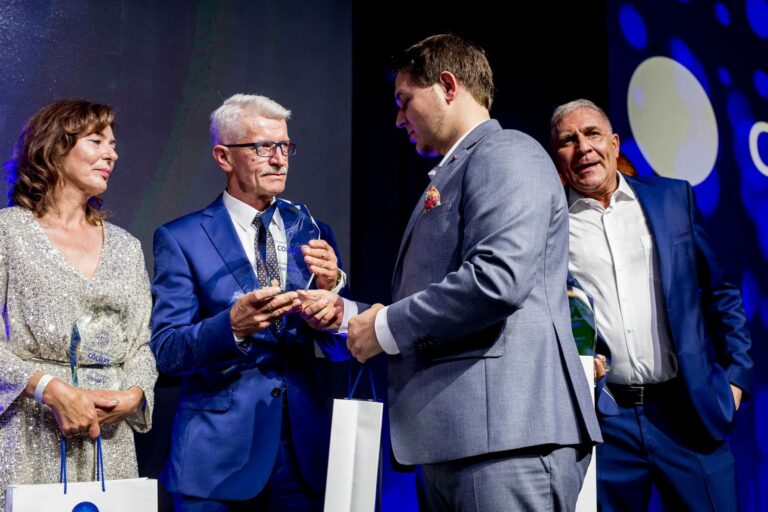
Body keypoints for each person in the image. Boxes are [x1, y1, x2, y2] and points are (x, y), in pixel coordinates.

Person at [345, 34, 601, 511]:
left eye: (405, 101)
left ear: (447, 86)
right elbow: (437, 296)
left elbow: (496, 280)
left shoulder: (507, 152)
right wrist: (349, 314)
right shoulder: (461, 168)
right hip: (461, 441)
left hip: (507, 441)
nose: (399, 118)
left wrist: (382, 328)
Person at [550, 99, 753, 511]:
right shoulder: (549, 224)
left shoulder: (672, 198)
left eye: (592, 134)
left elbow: (721, 291)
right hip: (606, 423)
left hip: (687, 412)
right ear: (557, 158)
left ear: (614, 142)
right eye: (568, 140)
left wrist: (736, 378)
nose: (583, 147)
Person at [150, 93, 348, 511]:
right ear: (224, 157)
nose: (279, 160)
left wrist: (332, 298)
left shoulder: (313, 230)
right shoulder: (181, 238)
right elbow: (167, 351)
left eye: (285, 146)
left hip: (302, 454)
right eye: (262, 147)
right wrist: (232, 327)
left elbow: (339, 347)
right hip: (217, 460)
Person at [0, 99, 157, 506]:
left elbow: (140, 345)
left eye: (113, 145)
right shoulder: (8, 233)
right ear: (55, 147)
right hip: (29, 433)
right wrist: (50, 390)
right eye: (96, 141)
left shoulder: (126, 247)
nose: (112, 154)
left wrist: (133, 395)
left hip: (109, 438)